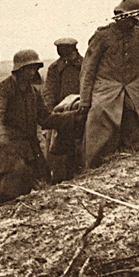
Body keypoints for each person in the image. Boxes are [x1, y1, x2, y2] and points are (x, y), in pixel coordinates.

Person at [0, 50, 77, 202]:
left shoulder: (33, 92)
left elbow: (45, 118)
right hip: (5, 146)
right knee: (12, 180)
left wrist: (73, 117)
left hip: (29, 146)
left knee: (44, 178)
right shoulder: (2, 89)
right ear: (19, 70)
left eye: (34, 68)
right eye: (29, 68)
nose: (32, 72)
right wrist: (1, 140)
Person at [80, 0, 139, 169]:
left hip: (133, 90)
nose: (135, 23)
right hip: (105, 90)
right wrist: (85, 100)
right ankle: (94, 167)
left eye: (137, 20)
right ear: (122, 17)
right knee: (99, 129)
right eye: (132, 19)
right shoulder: (102, 36)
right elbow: (88, 69)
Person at [42, 37, 84, 181]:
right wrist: (51, 112)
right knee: (58, 149)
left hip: (80, 110)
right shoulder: (54, 69)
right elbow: (49, 91)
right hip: (61, 113)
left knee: (80, 145)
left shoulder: (85, 65)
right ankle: (57, 178)